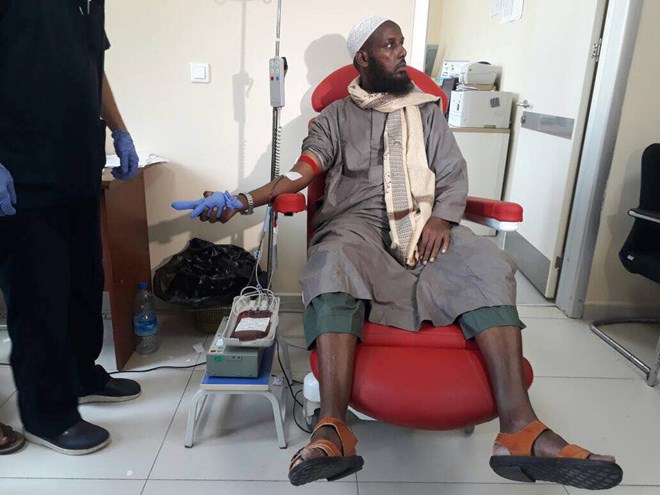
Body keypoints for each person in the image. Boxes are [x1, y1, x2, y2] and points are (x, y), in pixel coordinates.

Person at [171, 16, 622, 491]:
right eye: (389, 45)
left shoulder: (426, 112)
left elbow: (451, 172)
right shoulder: (335, 117)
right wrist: (244, 199)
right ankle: (333, 428)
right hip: (357, 226)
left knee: (486, 262)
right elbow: (303, 171)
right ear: (363, 58)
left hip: (426, 223)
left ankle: (520, 429)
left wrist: (443, 219)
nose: (402, 52)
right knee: (331, 262)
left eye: (401, 43)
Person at [0, 0, 141, 455]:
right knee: (38, 295)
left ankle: (82, 376)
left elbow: (92, 67)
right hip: (22, 171)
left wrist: (119, 129)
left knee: (84, 283)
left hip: (78, 163)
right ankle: (47, 415)